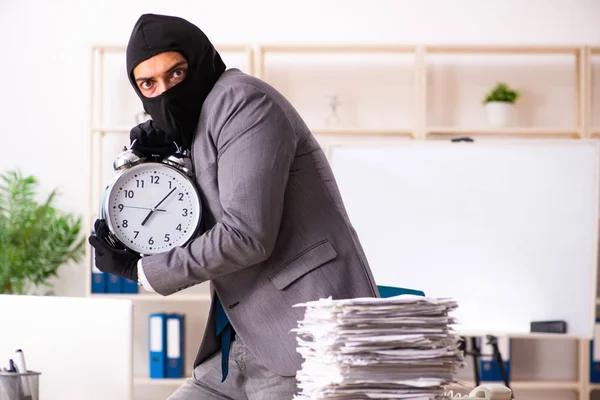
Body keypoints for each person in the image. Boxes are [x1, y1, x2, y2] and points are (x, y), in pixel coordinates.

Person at [88, 13, 379, 399]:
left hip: (303, 340)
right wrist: (176, 153)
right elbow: (200, 209)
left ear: (201, 59)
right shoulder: (202, 121)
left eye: (176, 74)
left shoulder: (243, 102)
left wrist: (142, 270)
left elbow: (245, 235)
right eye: (149, 84)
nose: (166, 92)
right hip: (232, 349)